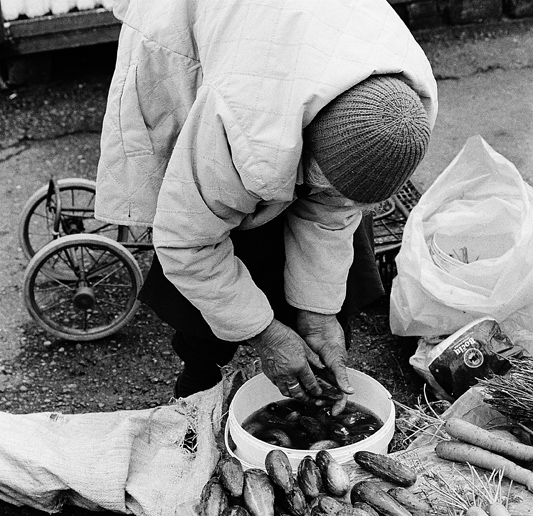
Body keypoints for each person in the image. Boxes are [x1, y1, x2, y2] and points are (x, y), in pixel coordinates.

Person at [95, 0, 438, 413]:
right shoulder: (241, 122)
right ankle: (195, 394)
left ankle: (316, 364)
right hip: (193, 33)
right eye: (322, 182)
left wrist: (318, 313)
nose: (327, 195)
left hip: (290, 42)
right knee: (212, 245)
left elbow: (333, 210)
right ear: (304, 143)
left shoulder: (401, 112)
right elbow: (187, 241)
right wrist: (264, 333)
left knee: (332, 285)